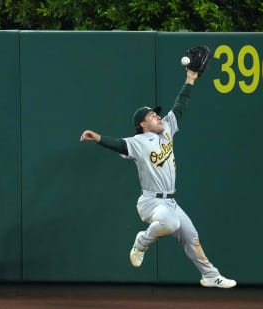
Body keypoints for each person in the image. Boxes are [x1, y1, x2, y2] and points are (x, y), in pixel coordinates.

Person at [80, 68, 236, 288]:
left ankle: (210, 275)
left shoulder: (166, 131)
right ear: (142, 124)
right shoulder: (138, 142)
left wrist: (190, 79)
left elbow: (180, 107)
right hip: (151, 202)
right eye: (152, 115)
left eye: (157, 114)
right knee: (170, 223)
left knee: (192, 237)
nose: (157, 116)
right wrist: (98, 138)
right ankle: (141, 242)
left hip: (170, 201)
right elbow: (119, 144)